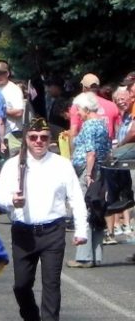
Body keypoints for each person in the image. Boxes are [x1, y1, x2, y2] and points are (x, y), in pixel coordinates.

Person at [0, 117, 88, 321]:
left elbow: (76, 197)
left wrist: (81, 229)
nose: (39, 142)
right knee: (21, 284)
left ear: (50, 140)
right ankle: (31, 319)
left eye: (44, 138)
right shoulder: (13, 165)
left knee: (51, 282)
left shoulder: (61, 165)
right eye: (33, 137)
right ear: (25, 140)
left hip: (52, 230)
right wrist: (12, 201)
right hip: (24, 232)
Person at [67, 92, 112, 268]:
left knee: (84, 209)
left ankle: (84, 257)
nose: (77, 113)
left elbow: (90, 152)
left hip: (89, 171)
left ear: (85, 108)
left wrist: (88, 174)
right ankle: (96, 255)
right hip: (100, 170)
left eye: (78, 109)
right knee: (96, 208)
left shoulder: (89, 126)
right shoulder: (102, 124)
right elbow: (107, 150)